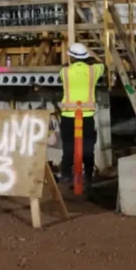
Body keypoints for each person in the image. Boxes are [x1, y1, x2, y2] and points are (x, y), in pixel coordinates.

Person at [58, 43, 104, 192]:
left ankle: (66, 174)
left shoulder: (64, 72)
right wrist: (91, 56)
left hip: (68, 116)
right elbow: (102, 64)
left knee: (68, 147)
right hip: (87, 116)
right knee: (88, 148)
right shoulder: (93, 71)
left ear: (70, 56)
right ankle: (88, 176)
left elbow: (65, 69)